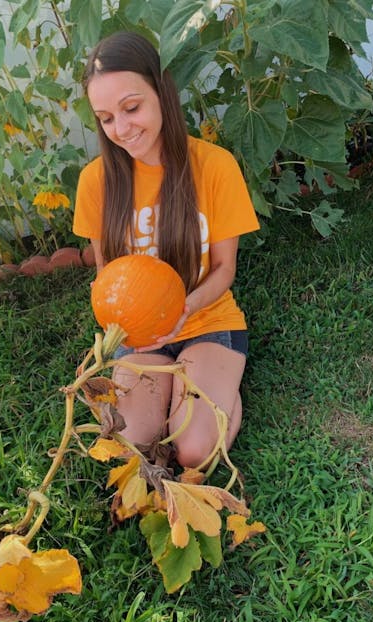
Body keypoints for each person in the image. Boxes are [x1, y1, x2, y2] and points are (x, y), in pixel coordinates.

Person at [72, 31, 260, 468]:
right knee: (130, 444)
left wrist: (184, 310)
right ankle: (186, 394)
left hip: (207, 321)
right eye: (106, 118)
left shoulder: (214, 166)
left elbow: (223, 269)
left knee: (192, 451)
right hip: (139, 338)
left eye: (131, 108)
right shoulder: (96, 183)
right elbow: (107, 276)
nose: (121, 129)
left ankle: (219, 394)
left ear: (162, 91)